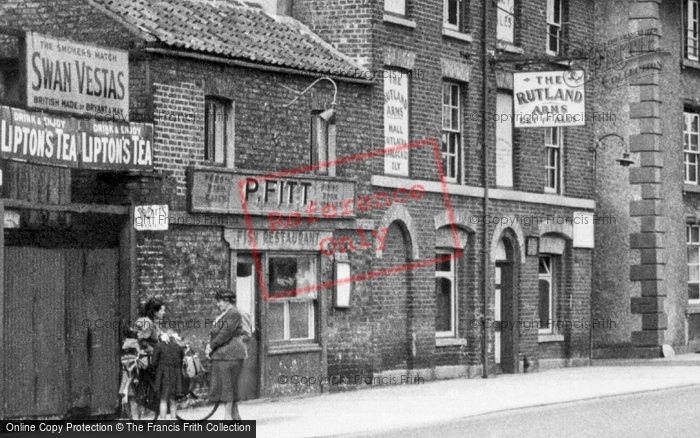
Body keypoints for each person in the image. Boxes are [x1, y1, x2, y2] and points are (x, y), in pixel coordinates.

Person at [206, 288, 250, 421]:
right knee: (229, 386)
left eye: (220, 301)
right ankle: (235, 417)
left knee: (227, 386)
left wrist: (211, 346)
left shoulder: (233, 313)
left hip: (229, 354)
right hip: (226, 354)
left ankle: (227, 418)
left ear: (227, 301)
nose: (218, 304)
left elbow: (225, 333)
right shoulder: (227, 313)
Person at [152, 330, 185, 420]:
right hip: (175, 374)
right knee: (173, 399)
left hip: (163, 374)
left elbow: (154, 362)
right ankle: (173, 421)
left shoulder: (159, 346)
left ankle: (162, 422)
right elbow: (181, 360)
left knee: (163, 399)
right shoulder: (178, 347)